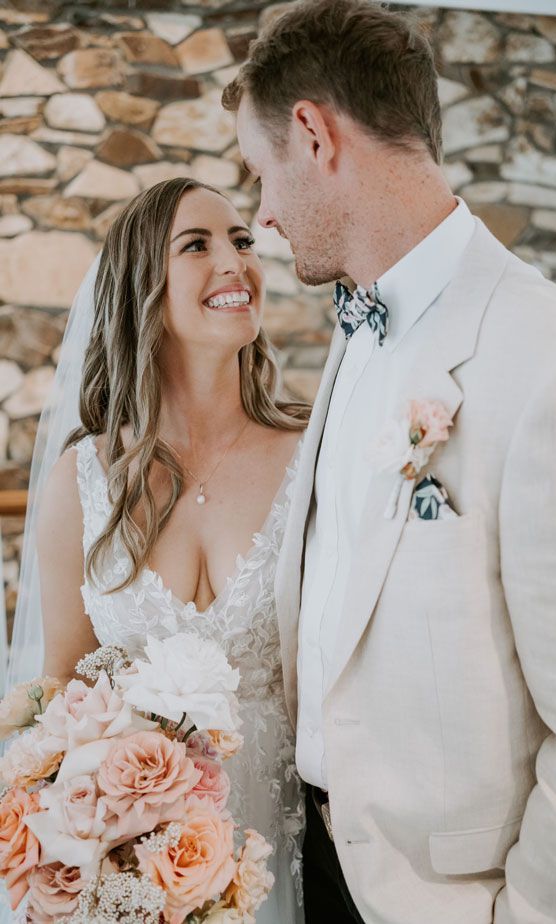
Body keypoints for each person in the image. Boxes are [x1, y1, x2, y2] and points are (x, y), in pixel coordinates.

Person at [223, 1, 556, 922]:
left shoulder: (550, 359)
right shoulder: (359, 330)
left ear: (314, 135)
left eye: (260, 174)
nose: (265, 215)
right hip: (313, 866)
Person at [10, 178, 308, 923]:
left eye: (242, 239)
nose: (235, 261)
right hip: (141, 881)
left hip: (297, 853)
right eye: (197, 245)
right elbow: (60, 707)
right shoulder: (83, 481)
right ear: (144, 284)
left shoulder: (312, 455)